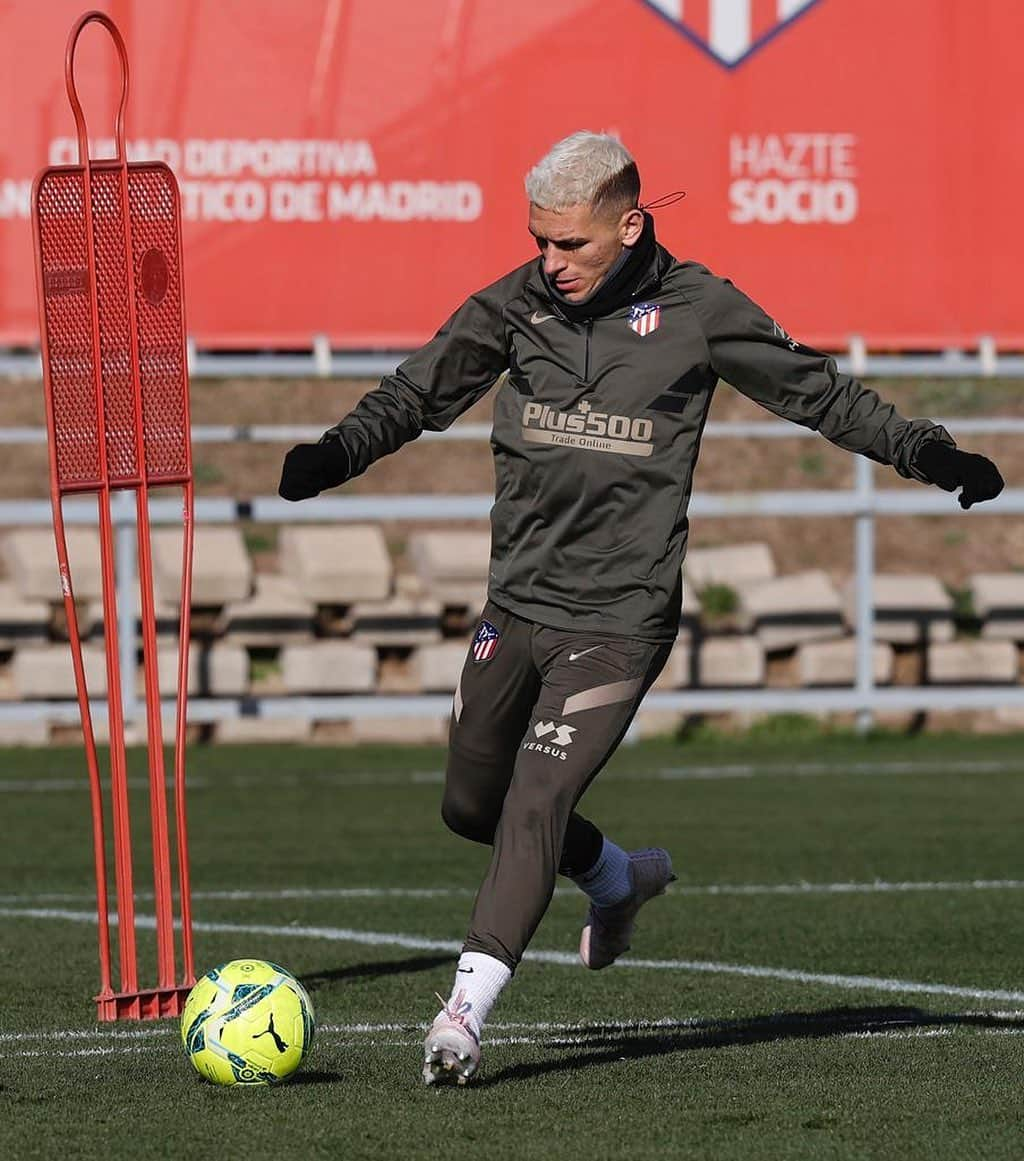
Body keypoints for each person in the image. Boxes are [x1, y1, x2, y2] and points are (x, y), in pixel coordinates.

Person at [278, 131, 1004, 1085]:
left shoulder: (699, 309)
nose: (551, 262)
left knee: (537, 796)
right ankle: (617, 876)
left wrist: (927, 451)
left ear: (629, 224)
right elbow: (416, 392)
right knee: (472, 806)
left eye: (569, 245)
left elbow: (818, 394)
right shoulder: (514, 304)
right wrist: (337, 455)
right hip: (518, 604)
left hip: (621, 619)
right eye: (539, 241)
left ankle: (461, 1015)